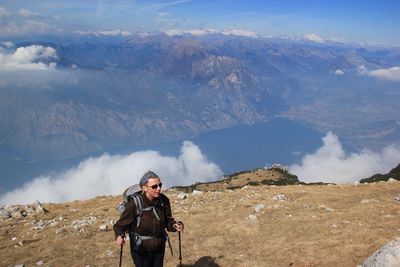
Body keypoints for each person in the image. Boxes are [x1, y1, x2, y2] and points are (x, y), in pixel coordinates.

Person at [113, 171, 184, 267]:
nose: (159, 189)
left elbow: (168, 221)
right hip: (141, 249)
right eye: (154, 186)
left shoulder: (164, 200)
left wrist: (174, 225)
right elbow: (120, 225)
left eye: (160, 185)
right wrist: (119, 235)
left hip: (159, 247)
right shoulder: (135, 203)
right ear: (144, 188)